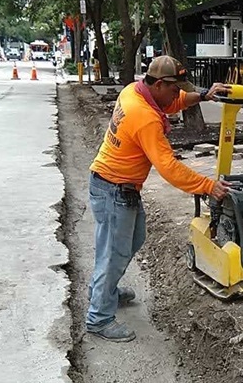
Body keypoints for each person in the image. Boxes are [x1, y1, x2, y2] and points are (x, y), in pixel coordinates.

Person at [86, 55, 231, 342]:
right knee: (113, 254)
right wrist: (207, 186)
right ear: (161, 84)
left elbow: (173, 103)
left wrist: (203, 95)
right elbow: (169, 168)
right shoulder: (145, 118)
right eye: (175, 88)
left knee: (132, 240)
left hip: (117, 187)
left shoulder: (135, 90)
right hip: (115, 189)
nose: (178, 94)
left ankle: (104, 290)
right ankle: (99, 317)